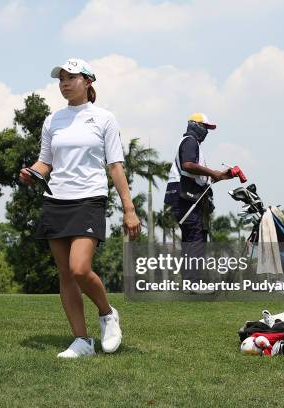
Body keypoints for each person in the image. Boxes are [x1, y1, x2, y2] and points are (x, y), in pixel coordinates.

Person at [19, 58, 140, 358]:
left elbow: (115, 165)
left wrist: (129, 209)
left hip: (89, 200)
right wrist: (32, 172)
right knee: (65, 275)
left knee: (80, 268)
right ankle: (82, 342)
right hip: (55, 200)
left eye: (71, 77)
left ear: (87, 82)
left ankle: (107, 313)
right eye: (61, 78)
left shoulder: (104, 118)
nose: (64, 83)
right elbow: (46, 161)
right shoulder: (52, 120)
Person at [164, 113, 231, 283]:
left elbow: (197, 175)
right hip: (184, 198)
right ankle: (193, 283)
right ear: (194, 125)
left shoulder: (192, 143)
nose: (206, 131)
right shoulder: (190, 141)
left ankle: (190, 282)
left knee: (192, 239)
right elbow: (187, 165)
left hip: (186, 196)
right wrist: (213, 172)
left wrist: (220, 175)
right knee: (195, 239)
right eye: (205, 127)